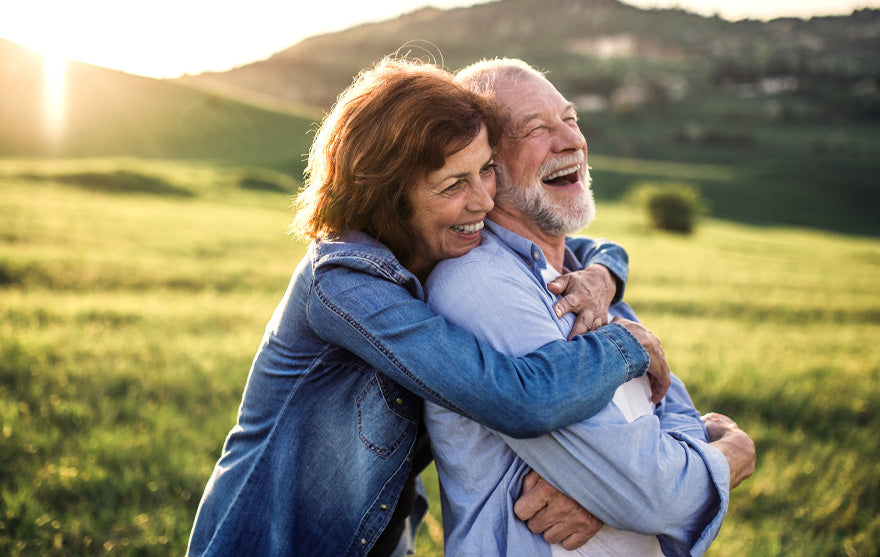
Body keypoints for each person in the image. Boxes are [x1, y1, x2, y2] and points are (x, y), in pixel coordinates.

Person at [186, 57, 672, 557]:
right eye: (453, 185)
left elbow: (587, 248)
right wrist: (625, 345)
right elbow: (516, 399)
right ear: (390, 197)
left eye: (485, 171)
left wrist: (601, 276)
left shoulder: (436, 250)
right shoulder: (344, 284)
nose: (484, 200)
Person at [424, 58, 756, 556]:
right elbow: (655, 494)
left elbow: (672, 413)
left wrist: (609, 490)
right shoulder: (480, 285)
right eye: (536, 128)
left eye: (571, 119)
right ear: (485, 166)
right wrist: (734, 452)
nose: (571, 141)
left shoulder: (586, 280)